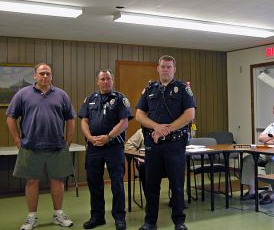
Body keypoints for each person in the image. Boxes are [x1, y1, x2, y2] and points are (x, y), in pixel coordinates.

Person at [6, 63, 76, 230]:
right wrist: (17, 140)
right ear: (35, 76)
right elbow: (10, 117)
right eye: (42, 73)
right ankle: (31, 218)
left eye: (48, 74)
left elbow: (71, 119)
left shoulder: (61, 95)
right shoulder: (23, 94)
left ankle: (58, 214)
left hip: (57, 147)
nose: (45, 76)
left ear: (51, 76)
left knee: (57, 181)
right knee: (31, 182)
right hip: (30, 147)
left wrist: (68, 142)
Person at [135, 55, 196, 230]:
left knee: (176, 185)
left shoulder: (183, 89)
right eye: (163, 66)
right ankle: (150, 222)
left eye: (169, 67)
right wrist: (156, 127)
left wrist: (166, 129)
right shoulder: (149, 89)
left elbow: (190, 114)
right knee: (151, 185)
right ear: (158, 68)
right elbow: (139, 114)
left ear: (174, 69)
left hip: (175, 145)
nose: (166, 69)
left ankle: (179, 222)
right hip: (153, 145)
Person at [79, 70, 133, 230]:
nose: (105, 81)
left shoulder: (120, 99)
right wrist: (89, 137)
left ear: (112, 80)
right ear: (97, 81)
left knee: (117, 183)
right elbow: (84, 120)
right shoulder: (90, 99)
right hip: (94, 147)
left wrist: (108, 137)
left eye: (108, 78)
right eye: (102, 79)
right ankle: (97, 216)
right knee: (94, 183)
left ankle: (119, 217)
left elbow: (124, 122)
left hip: (113, 147)